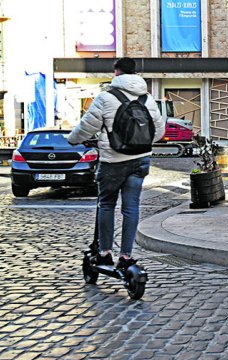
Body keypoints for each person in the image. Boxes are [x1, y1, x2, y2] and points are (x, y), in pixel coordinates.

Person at [68, 57, 166, 270]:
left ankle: (104, 253)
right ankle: (126, 256)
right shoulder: (147, 99)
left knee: (107, 204)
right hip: (140, 160)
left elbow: (86, 127)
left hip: (113, 161)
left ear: (117, 73)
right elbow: (158, 132)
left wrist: (71, 139)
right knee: (131, 207)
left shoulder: (105, 98)